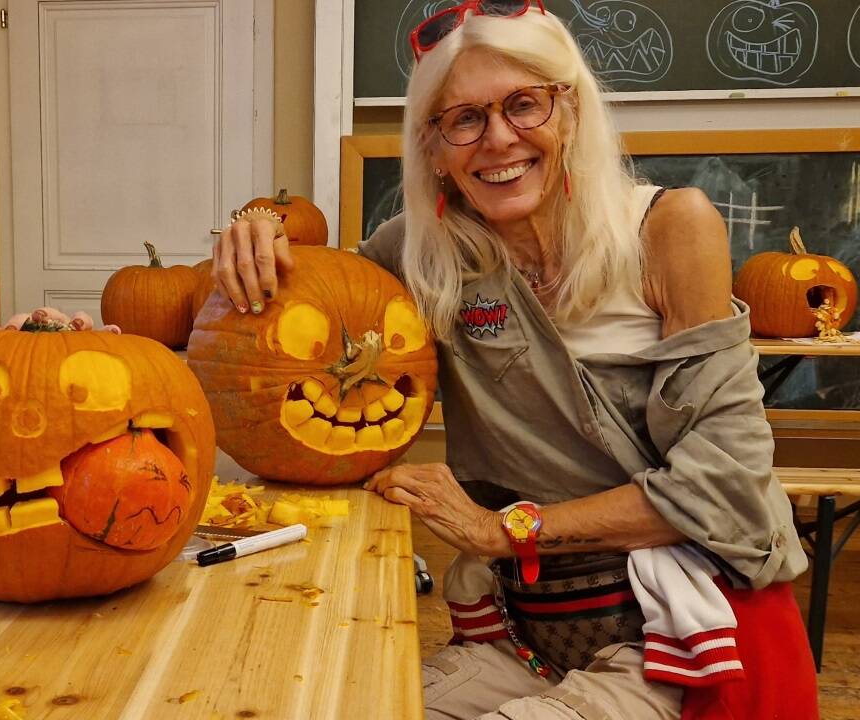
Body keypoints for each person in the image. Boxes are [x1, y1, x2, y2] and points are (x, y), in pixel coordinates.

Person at [212, 2, 817, 718]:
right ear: (433, 148)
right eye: (463, 119)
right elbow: (284, 321)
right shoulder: (421, 252)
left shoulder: (669, 228)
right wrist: (256, 230)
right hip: (525, 636)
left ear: (571, 112)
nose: (497, 140)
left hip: (672, 632)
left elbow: (724, 486)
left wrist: (501, 529)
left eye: (524, 105)